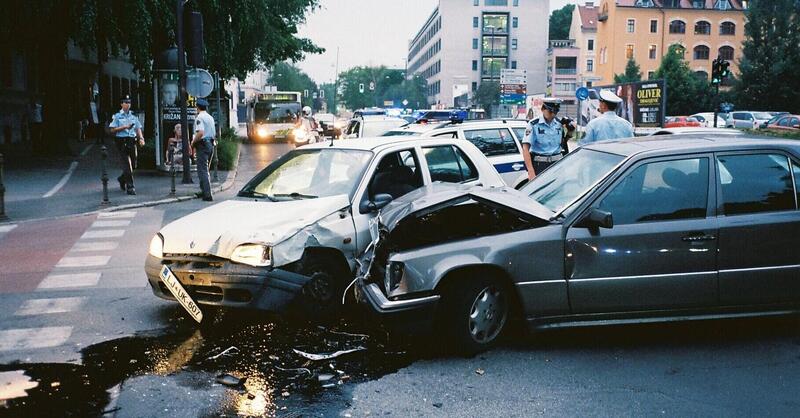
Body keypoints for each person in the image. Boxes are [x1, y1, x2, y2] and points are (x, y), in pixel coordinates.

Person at [521, 98, 574, 179]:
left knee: (558, 190)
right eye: (550, 112)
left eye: (555, 112)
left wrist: (570, 131)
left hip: (557, 164)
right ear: (543, 109)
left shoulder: (559, 124)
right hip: (540, 165)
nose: (553, 115)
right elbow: (525, 149)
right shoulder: (534, 124)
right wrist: (531, 172)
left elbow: (562, 143)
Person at [108, 95, 144, 195]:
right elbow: (112, 130)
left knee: (134, 164)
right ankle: (130, 187)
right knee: (127, 165)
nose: (128, 104)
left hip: (131, 140)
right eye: (126, 102)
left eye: (129, 102)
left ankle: (121, 179)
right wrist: (124, 127)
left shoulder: (133, 116)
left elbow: (138, 128)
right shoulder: (117, 116)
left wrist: (141, 138)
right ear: (121, 104)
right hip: (121, 140)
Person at [191, 98, 215, 201]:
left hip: (202, 145)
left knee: (202, 170)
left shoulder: (199, 118)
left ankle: (207, 195)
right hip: (210, 144)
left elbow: (200, 132)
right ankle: (204, 190)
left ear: (197, 107)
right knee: (205, 169)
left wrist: (193, 142)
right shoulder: (210, 117)